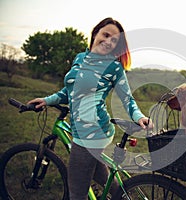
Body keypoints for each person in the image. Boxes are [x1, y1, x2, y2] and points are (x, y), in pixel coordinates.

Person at [28, 17, 152, 200]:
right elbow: (70, 90)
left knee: (77, 192)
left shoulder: (114, 67)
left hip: (92, 133)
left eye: (114, 40)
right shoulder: (80, 57)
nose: (108, 41)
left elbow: (127, 98)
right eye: (106, 35)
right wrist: (47, 100)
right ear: (96, 33)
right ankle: (123, 197)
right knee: (98, 173)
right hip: (85, 131)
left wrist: (139, 116)